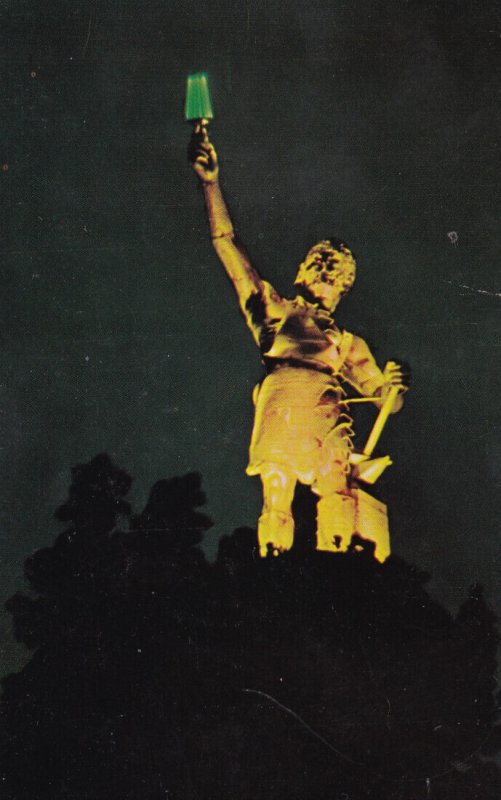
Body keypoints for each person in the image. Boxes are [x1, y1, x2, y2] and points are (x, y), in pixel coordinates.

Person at [190, 123, 406, 557]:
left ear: (343, 289)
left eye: (337, 275)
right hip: (283, 401)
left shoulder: (347, 343)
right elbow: (227, 245)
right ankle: (273, 564)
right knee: (276, 491)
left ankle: (340, 564)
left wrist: (393, 389)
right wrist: (211, 185)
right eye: (323, 265)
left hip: (326, 414)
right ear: (304, 270)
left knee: (336, 492)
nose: (328, 275)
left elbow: (383, 396)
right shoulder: (275, 309)